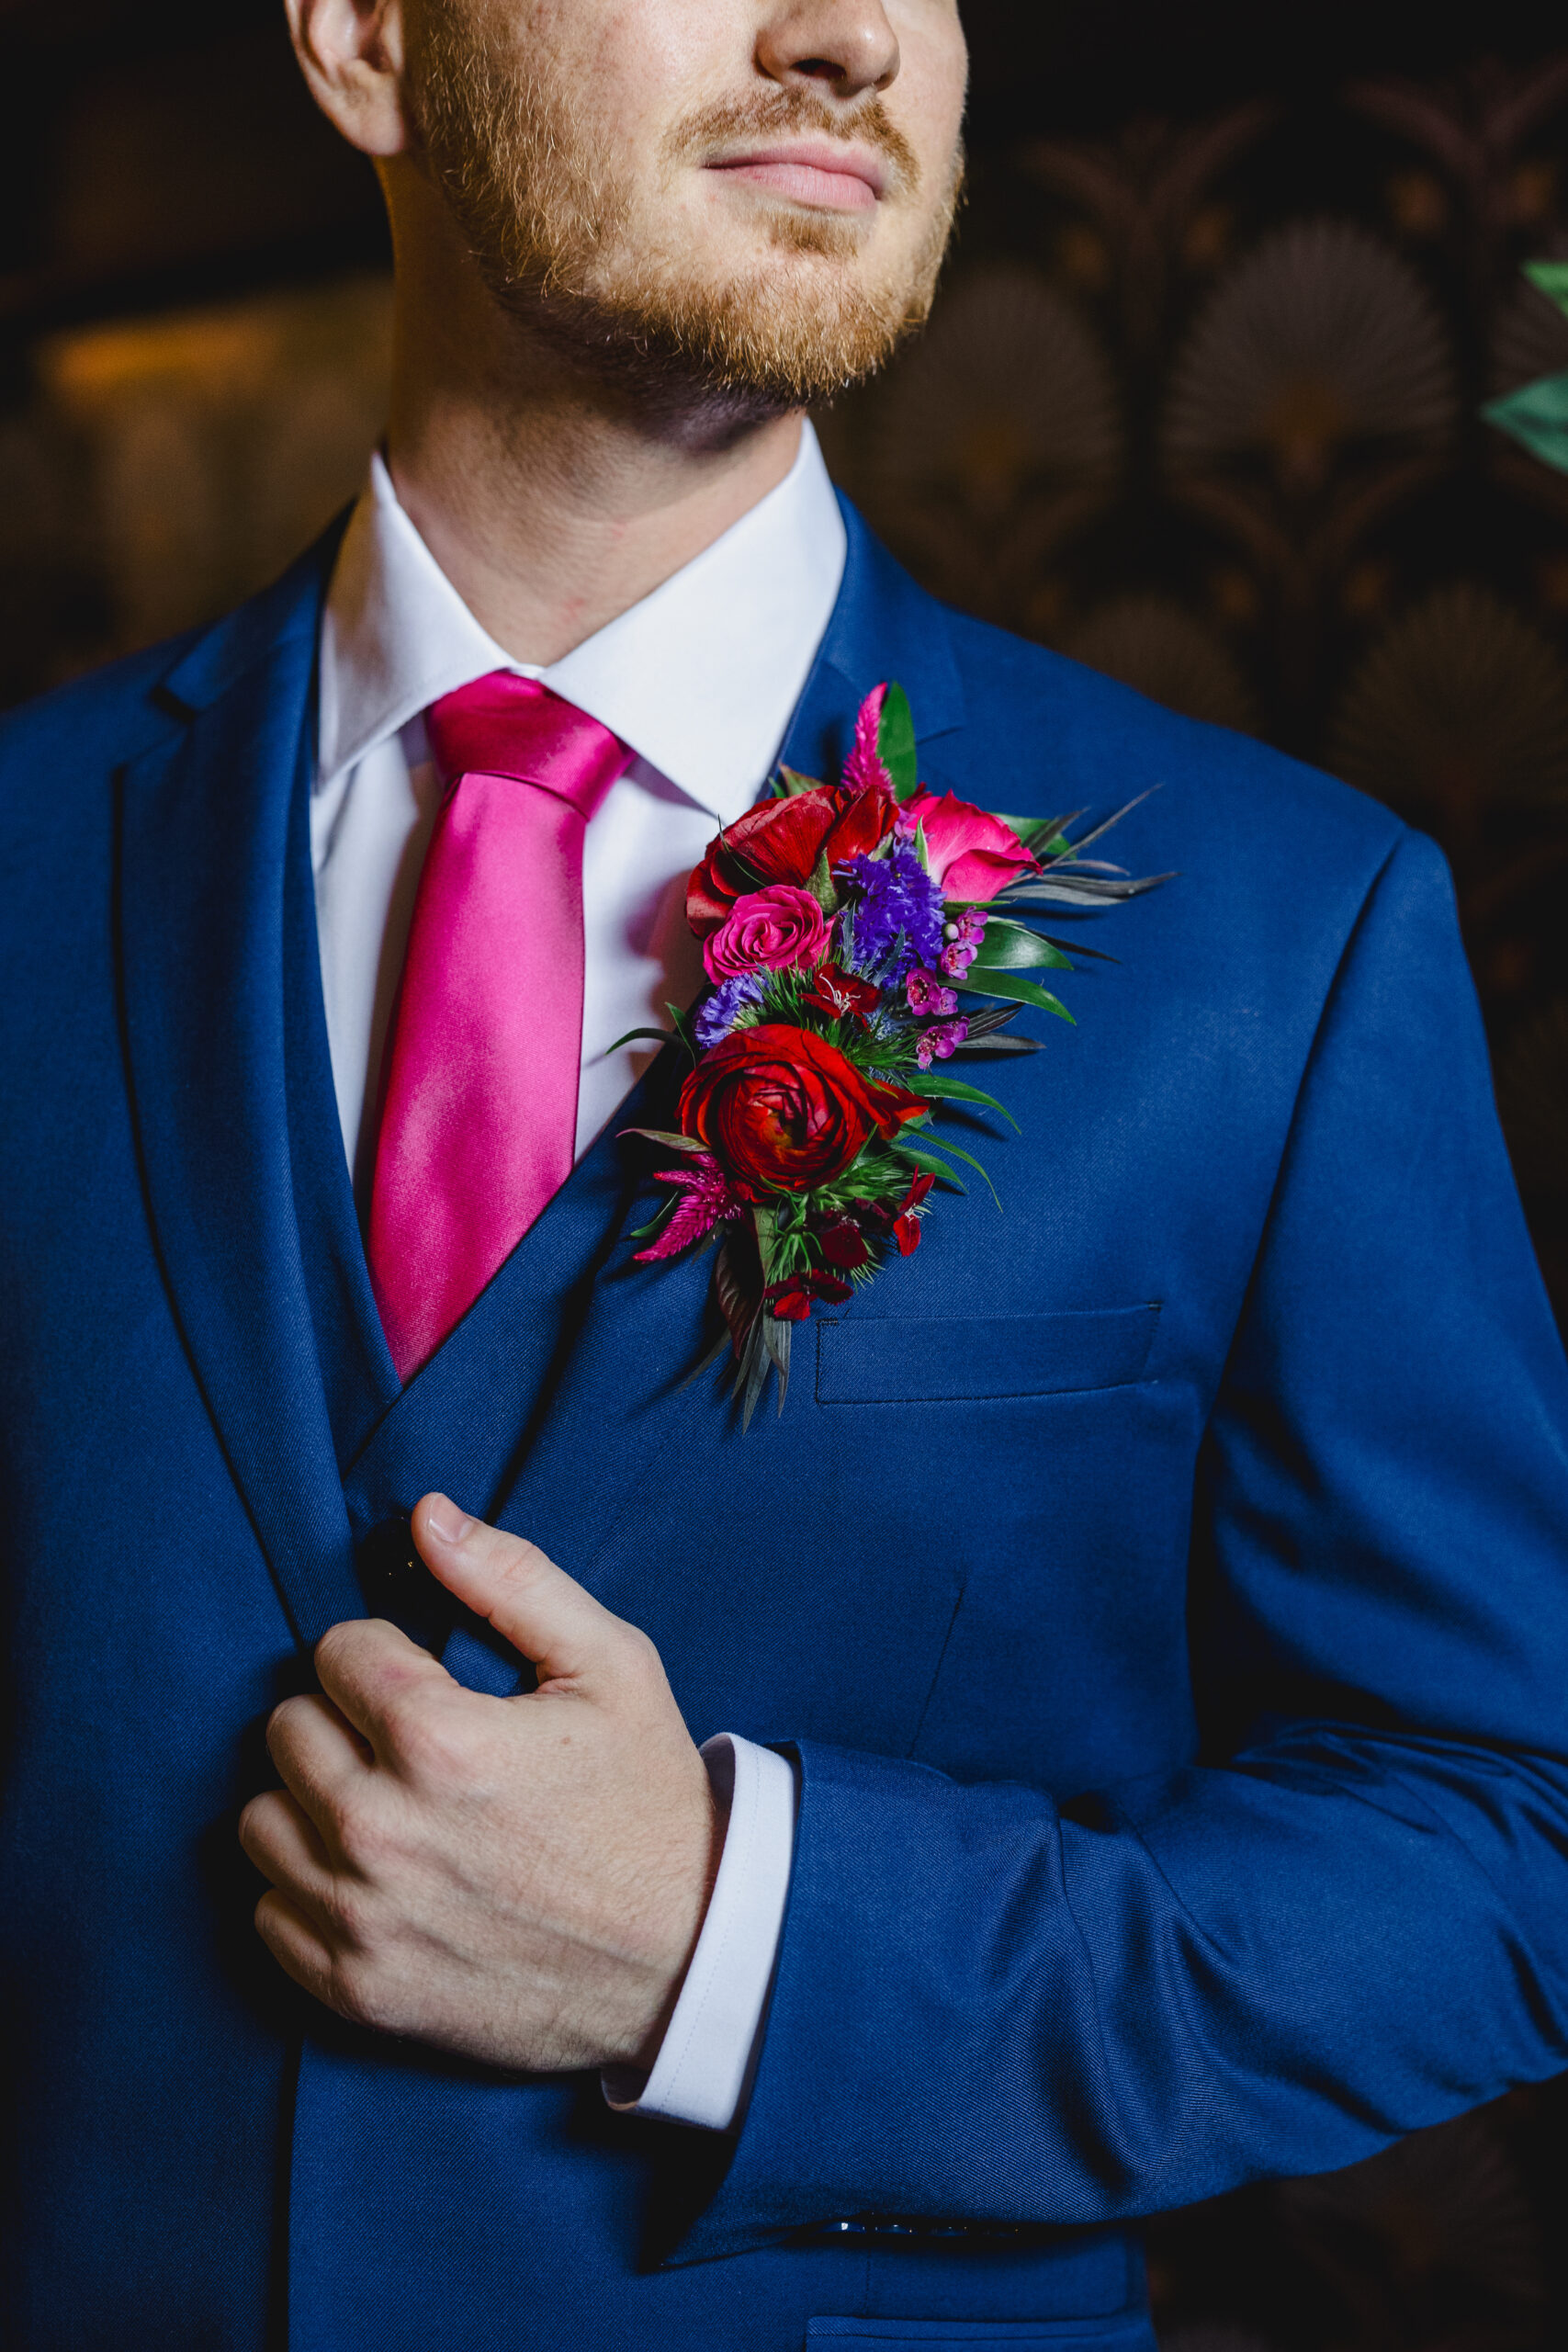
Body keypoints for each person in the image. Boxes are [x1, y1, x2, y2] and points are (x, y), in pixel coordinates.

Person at [3, 2, 1567, 2346]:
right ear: (362, 41)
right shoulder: (24, 854)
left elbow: (1512, 1827)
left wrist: (730, 1940)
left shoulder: (1282, 928)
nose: (843, 32)